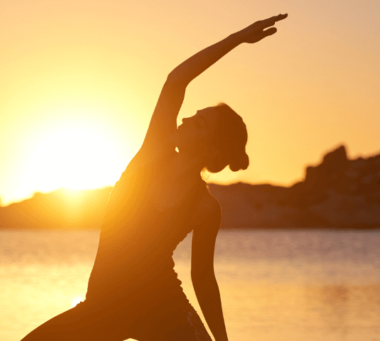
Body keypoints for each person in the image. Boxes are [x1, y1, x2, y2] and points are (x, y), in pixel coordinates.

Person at [22, 13, 287, 341]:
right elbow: (177, 81)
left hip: (162, 310)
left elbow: (203, 278)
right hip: (103, 307)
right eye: (194, 113)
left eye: (200, 123)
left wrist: (222, 340)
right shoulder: (152, 155)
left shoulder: (205, 208)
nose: (187, 118)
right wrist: (236, 38)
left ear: (213, 153)